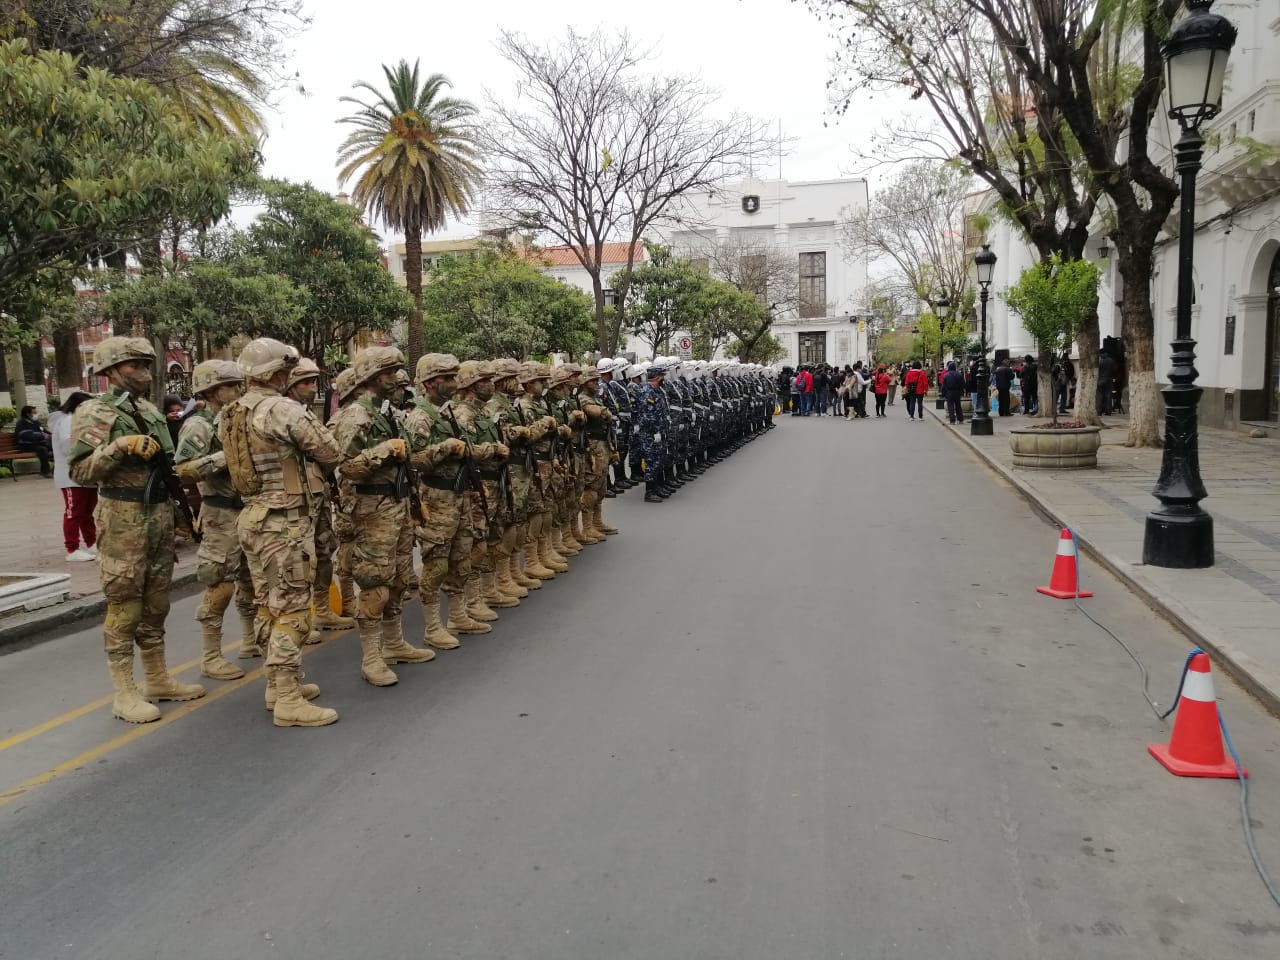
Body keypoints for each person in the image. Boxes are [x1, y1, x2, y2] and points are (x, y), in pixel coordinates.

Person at [68, 337, 205, 724]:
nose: (143, 372)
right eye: (133, 365)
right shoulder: (97, 411)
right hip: (123, 516)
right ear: (110, 371)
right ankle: (124, 691)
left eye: (146, 364)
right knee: (125, 604)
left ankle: (157, 678)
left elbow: (167, 468)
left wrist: (180, 514)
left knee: (157, 602)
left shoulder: (149, 409)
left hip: (158, 514)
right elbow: (79, 470)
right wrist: (120, 447)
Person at [223, 337, 341, 726]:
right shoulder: (281, 409)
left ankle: (276, 685)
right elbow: (329, 450)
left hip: (253, 517)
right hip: (285, 521)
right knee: (292, 609)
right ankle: (289, 699)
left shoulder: (232, 412)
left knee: (266, 605)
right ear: (276, 373)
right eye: (288, 371)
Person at [328, 345, 431, 688]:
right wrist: (384, 451)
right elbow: (344, 466)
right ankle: (371, 658)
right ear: (372, 377)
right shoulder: (356, 415)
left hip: (397, 505)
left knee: (400, 579)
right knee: (374, 584)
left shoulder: (386, 412)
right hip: (371, 509)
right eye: (388, 373)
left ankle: (394, 642)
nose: (396, 378)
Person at [174, 360, 258, 680]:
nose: (238, 391)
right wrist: (223, 459)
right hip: (220, 512)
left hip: (247, 509)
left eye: (239, 384)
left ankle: (250, 640)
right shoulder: (201, 425)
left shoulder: (238, 420)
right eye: (231, 386)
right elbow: (183, 469)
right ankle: (211, 655)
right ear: (211, 390)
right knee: (221, 584)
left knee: (251, 579)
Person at [281, 358, 357, 644]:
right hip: (294, 496)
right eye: (305, 383)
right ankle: (304, 618)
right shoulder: (282, 415)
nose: (312, 388)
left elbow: (328, 453)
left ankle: (323, 609)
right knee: (303, 560)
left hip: (318, 492)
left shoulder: (305, 413)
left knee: (325, 551)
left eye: (314, 382)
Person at [49, 393, 97, 560]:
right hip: (71, 475)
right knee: (74, 511)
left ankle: (92, 543)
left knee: (87, 511)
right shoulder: (67, 420)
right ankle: (72, 549)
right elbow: (69, 446)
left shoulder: (80, 420)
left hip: (86, 474)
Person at [638, 365, 669, 502]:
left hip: (659, 432)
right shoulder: (647, 392)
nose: (664, 378)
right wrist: (655, 431)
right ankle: (649, 492)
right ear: (657, 377)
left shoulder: (657, 390)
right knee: (651, 461)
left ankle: (657, 487)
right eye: (662, 376)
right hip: (650, 434)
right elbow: (646, 416)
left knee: (659, 460)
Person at [15, 405, 53, 477]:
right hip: (26, 445)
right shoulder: (21, 423)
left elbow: (43, 430)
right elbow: (25, 435)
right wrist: (42, 436)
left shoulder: (35, 422)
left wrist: (51, 435)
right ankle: (46, 471)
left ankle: (54, 470)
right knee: (43, 449)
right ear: (27, 413)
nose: (35, 415)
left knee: (54, 446)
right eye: (33, 413)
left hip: (38, 443)